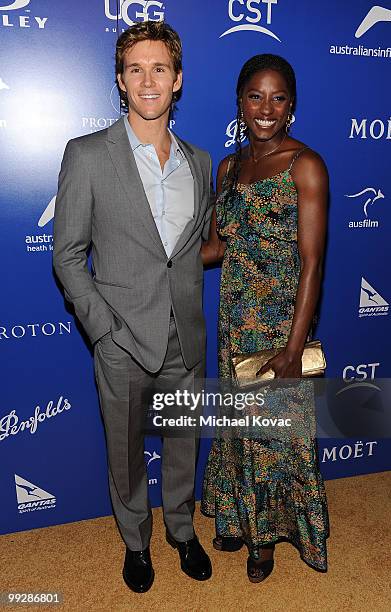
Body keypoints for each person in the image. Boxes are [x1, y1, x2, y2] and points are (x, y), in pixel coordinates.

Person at [53, 21, 213, 593]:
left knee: (182, 443)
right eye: (136, 69)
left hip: (184, 336)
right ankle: (136, 543)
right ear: (121, 82)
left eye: (160, 69)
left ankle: (180, 530)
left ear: (178, 81)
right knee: (123, 453)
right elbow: (68, 256)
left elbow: (190, 251)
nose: (148, 80)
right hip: (121, 339)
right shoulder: (88, 155)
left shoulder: (200, 161)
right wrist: (103, 331)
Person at [201, 54, 329, 582]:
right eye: (256, 96)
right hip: (234, 322)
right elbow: (215, 247)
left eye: (278, 98)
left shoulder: (307, 166)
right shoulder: (228, 169)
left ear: (292, 106)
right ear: (240, 103)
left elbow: (313, 262)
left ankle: (266, 537)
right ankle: (235, 515)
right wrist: (155, 255)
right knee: (237, 429)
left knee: (276, 440)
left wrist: (295, 349)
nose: (266, 108)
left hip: (281, 328)